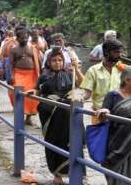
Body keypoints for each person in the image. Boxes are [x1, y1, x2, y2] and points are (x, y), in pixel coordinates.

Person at [37, 47, 84, 185]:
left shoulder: (70, 74)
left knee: (73, 141)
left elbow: (83, 84)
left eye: (60, 60)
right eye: (54, 60)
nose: (57, 63)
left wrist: (77, 68)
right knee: (54, 142)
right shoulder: (44, 76)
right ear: (49, 62)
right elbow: (38, 91)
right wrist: (32, 92)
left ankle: (76, 174)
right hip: (51, 114)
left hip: (68, 114)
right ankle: (57, 175)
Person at [80, 39, 125, 124]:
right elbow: (87, 94)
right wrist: (77, 99)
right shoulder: (93, 71)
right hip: (99, 115)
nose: (119, 55)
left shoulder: (122, 69)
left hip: (119, 115)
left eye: (120, 52)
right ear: (106, 53)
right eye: (116, 52)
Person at [9, 28, 42, 125]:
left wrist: (41, 75)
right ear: (17, 38)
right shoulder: (14, 50)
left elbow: (39, 62)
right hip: (18, 73)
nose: (24, 40)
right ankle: (20, 115)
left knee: (31, 95)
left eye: (26, 38)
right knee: (16, 93)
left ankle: (28, 117)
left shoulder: (33, 48)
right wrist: (11, 75)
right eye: (22, 38)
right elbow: (10, 64)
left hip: (31, 75)